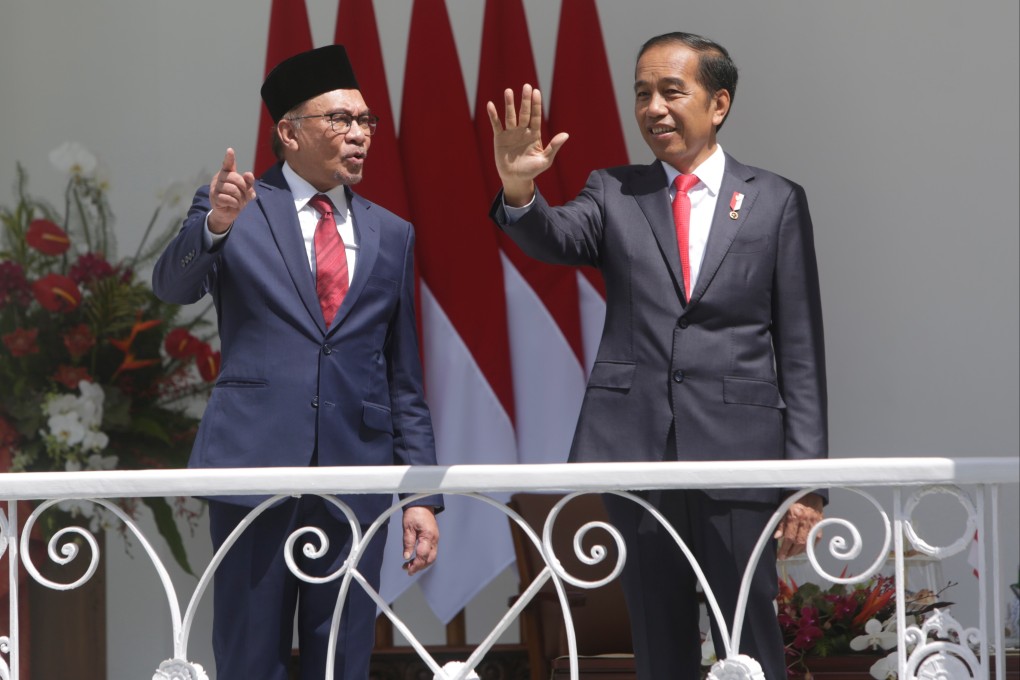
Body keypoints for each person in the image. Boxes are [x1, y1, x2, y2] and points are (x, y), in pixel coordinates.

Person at [486, 32, 827, 679]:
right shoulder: (614, 191)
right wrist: (518, 189)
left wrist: (806, 483)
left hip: (741, 449)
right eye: (643, 93)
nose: (654, 108)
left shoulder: (776, 200)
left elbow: (801, 347)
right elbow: (554, 238)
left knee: (747, 633)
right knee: (658, 630)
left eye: (672, 91)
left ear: (718, 103)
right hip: (637, 445)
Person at [153, 44, 441, 680]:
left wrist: (419, 492)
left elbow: (403, 376)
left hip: (355, 475)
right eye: (340, 120)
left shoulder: (391, 233)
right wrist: (215, 228)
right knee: (249, 657)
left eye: (365, 121)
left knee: (340, 658)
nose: (359, 135)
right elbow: (171, 288)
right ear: (289, 132)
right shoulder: (235, 206)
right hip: (253, 469)